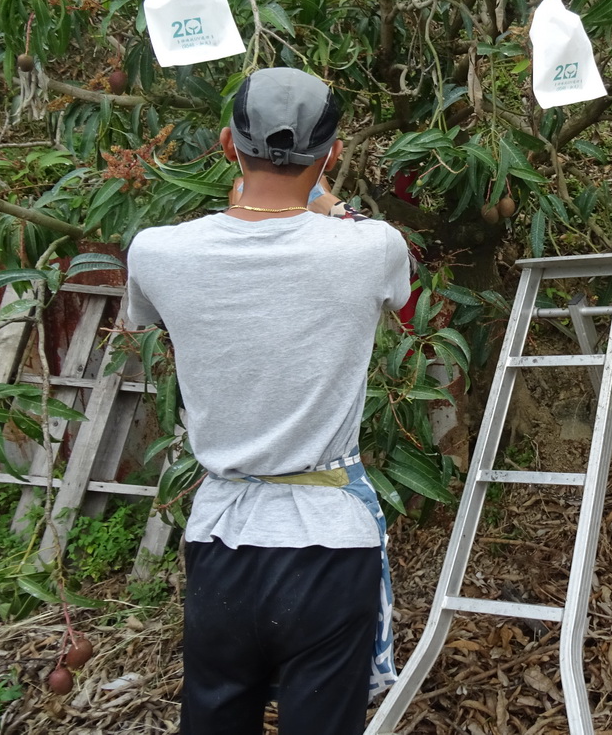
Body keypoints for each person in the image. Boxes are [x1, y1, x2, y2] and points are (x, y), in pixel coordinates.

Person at [125, 67, 412, 735]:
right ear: (331, 155)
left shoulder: (157, 252)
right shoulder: (371, 248)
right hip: (330, 542)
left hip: (221, 538)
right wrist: (328, 204)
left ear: (229, 144)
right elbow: (396, 289)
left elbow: (150, 318)